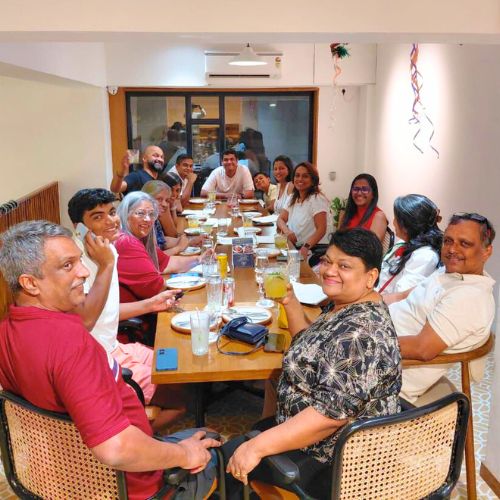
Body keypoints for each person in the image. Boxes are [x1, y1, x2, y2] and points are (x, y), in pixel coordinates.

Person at [0, 220, 221, 500]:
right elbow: (115, 448)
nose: (83, 272)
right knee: (217, 446)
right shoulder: (70, 343)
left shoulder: (7, 330)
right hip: (130, 485)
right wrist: (183, 454)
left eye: (79, 261)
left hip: (66, 475)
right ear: (30, 283)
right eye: (67, 265)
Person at [222, 228, 401, 497]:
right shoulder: (346, 305)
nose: (330, 271)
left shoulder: (359, 335)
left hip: (333, 460)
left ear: (371, 277)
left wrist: (256, 448)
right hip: (313, 436)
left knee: (227, 458)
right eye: (327, 261)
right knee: (247, 440)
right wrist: (290, 301)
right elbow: (312, 345)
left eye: (344, 266)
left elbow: (329, 417)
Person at [68, 189, 187, 429]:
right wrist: (105, 265)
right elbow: (86, 320)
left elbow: (106, 312)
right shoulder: (76, 264)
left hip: (115, 345)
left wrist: (150, 304)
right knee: (181, 401)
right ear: (78, 227)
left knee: (179, 366)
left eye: (112, 212)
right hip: (98, 358)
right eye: (98, 217)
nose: (111, 221)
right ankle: (132, 442)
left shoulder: (109, 249)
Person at [388, 212, 495, 403]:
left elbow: (422, 348)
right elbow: (401, 296)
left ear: (486, 251)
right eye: (448, 241)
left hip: (384, 374)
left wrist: (364, 342)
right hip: (378, 342)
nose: (452, 249)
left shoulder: (469, 297)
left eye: (464, 243)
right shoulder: (449, 274)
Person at [114, 191, 209, 306]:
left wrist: (200, 259)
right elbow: (156, 288)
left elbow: (167, 263)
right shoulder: (126, 242)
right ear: (126, 214)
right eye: (140, 213)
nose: (148, 219)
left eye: (151, 214)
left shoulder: (138, 238)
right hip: (141, 314)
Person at [377, 194, 442, 294]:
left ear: (407, 226)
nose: (393, 223)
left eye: (396, 219)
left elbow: (401, 294)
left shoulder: (425, 256)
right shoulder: (402, 243)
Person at [276, 162, 333, 264]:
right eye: (297, 175)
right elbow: (280, 219)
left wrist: (306, 247)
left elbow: (321, 229)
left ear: (313, 180)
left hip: (314, 249)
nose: (300, 179)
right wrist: (287, 231)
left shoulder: (317, 199)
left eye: (305, 176)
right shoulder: (293, 197)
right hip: (296, 247)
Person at [142, 180, 191, 255]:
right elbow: (153, 258)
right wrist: (178, 248)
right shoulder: (143, 222)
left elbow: (162, 241)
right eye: (159, 199)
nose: (165, 204)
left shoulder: (154, 218)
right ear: (146, 199)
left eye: (167, 200)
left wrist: (190, 241)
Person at [339, 173, 388, 241]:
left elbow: (372, 246)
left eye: (365, 189)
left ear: (373, 194)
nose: (359, 193)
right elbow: (337, 239)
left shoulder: (379, 216)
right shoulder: (346, 213)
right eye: (356, 189)